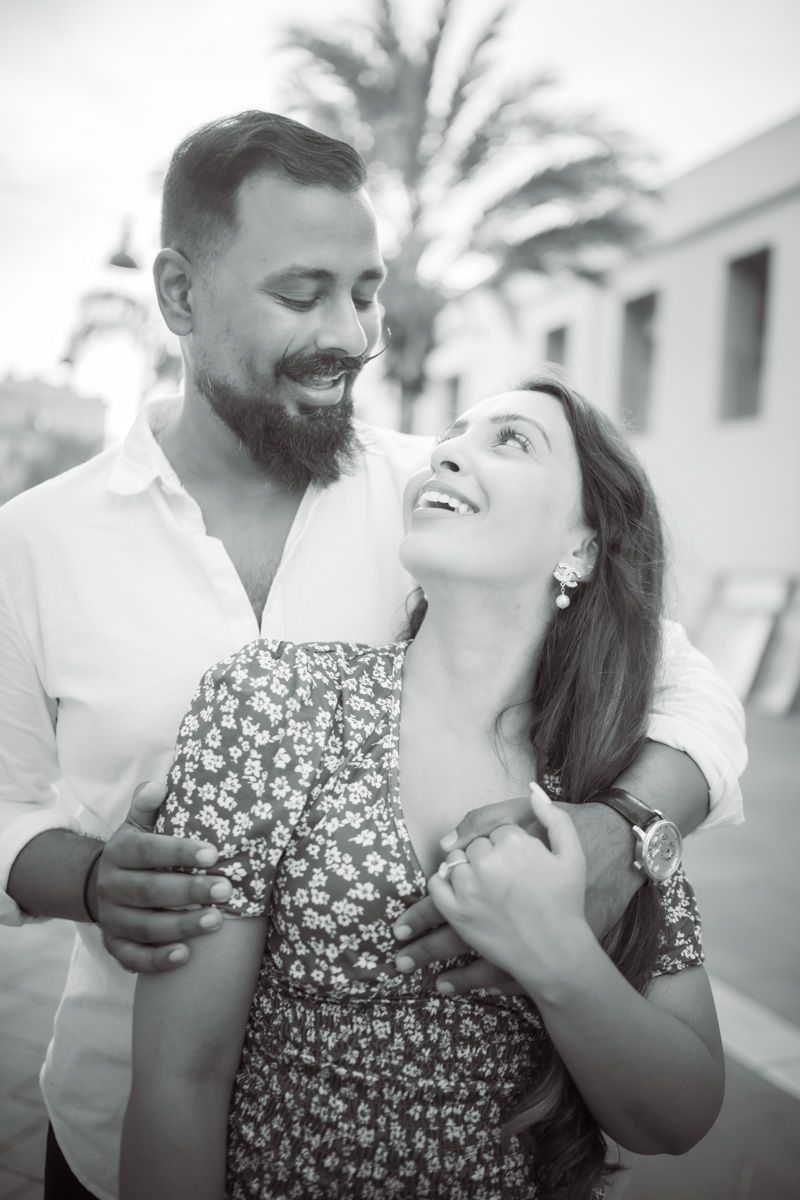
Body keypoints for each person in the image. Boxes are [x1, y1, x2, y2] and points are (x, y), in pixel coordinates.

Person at [0, 112, 743, 1200]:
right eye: (301, 296)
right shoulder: (34, 541)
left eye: (366, 291)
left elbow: (676, 682)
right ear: (178, 296)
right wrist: (86, 877)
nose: (352, 335)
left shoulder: (433, 498)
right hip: (120, 1116)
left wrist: (615, 836)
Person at [121, 372, 726, 1200]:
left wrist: (557, 959)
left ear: (582, 545)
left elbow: (678, 1116)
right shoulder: (272, 700)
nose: (446, 454)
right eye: (451, 436)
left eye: (510, 439)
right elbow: (178, 1078)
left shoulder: (615, 783)